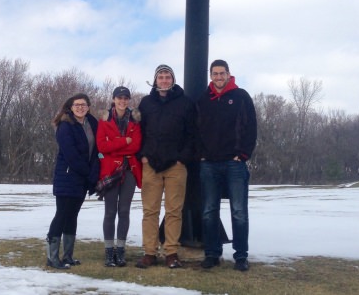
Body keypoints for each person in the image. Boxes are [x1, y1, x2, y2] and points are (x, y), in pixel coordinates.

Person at [197, 59, 257, 271]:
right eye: (215, 73)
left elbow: (251, 128)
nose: (219, 77)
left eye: (222, 73)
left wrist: (243, 154)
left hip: (234, 164)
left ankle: (241, 256)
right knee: (209, 211)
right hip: (209, 164)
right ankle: (212, 253)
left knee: (239, 211)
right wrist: (201, 155)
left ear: (229, 74)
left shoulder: (241, 97)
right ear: (211, 75)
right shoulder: (204, 100)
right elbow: (195, 130)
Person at [136, 64, 198, 269]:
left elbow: (192, 135)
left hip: (176, 166)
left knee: (174, 211)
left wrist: (182, 158)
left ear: (173, 80)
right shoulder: (146, 103)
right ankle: (149, 252)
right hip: (151, 164)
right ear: (155, 80)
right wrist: (142, 155)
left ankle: (171, 252)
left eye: (167, 76)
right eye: (160, 77)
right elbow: (140, 132)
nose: (164, 80)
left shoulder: (185, 103)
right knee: (150, 211)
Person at [45, 93, 99, 269]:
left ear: (88, 107)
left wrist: (94, 172)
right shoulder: (65, 125)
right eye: (77, 105)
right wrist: (89, 173)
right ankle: (52, 257)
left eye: (84, 104)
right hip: (68, 177)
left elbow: (97, 150)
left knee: (72, 216)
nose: (80, 107)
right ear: (71, 106)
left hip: (83, 179)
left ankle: (67, 256)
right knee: (61, 215)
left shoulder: (93, 124)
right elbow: (71, 155)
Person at [96, 86, 142, 267]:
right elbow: (101, 146)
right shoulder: (104, 119)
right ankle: (109, 251)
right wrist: (124, 141)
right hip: (111, 171)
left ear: (129, 100)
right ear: (113, 99)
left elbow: (136, 146)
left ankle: (120, 250)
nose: (123, 101)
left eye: (126, 98)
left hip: (129, 170)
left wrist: (113, 144)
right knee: (110, 211)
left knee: (124, 211)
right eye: (119, 98)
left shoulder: (135, 120)